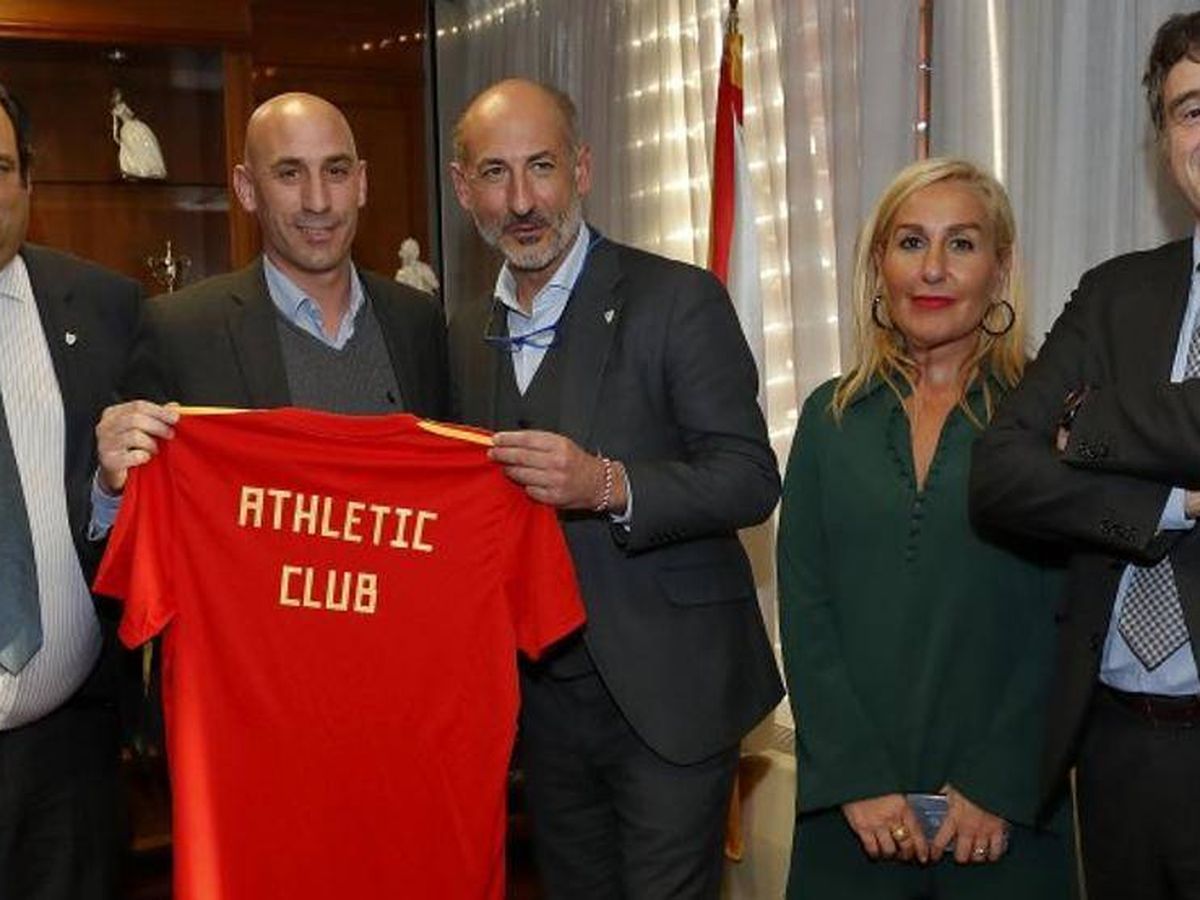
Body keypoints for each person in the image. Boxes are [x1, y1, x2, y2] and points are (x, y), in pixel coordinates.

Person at [447, 78, 783, 899]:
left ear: (583, 169)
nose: (522, 200)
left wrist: (606, 483)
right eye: (495, 173)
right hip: (544, 708)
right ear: (464, 189)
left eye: (542, 166)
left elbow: (749, 479)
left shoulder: (677, 299)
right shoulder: (457, 333)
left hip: (669, 697)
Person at [779, 157, 1074, 899]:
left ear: (1000, 268)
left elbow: (1072, 616)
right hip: (852, 814)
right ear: (879, 265)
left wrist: (1000, 782)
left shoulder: (1058, 418)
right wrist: (855, 781)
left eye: (962, 244)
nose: (933, 269)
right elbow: (806, 613)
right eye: (910, 242)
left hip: (1006, 815)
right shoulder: (827, 417)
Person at [970, 12, 1200, 899]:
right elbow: (999, 474)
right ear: (1164, 143)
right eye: (1188, 110)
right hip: (1112, 747)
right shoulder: (1114, 293)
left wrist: (1094, 423)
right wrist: (1173, 504)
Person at [95, 91, 447, 494]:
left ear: (361, 183)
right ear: (246, 189)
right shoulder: (180, 332)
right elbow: (144, 517)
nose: (318, 201)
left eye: (336, 171)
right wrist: (110, 487)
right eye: (289, 174)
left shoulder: (419, 322)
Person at [0, 83, 143, 899]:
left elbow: (131, 505)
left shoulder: (106, 306)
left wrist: (114, 493)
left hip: (72, 758)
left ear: (28, 184)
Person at [110, 88, 166, 180]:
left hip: (131, 125)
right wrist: (115, 135)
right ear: (114, 98)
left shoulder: (121, 106)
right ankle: (133, 169)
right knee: (130, 148)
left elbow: (130, 114)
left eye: (119, 96)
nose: (118, 98)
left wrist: (130, 115)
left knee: (141, 144)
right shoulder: (115, 110)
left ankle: (148, 169)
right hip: (127, 127)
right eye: (117, 96)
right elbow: (115, 124)